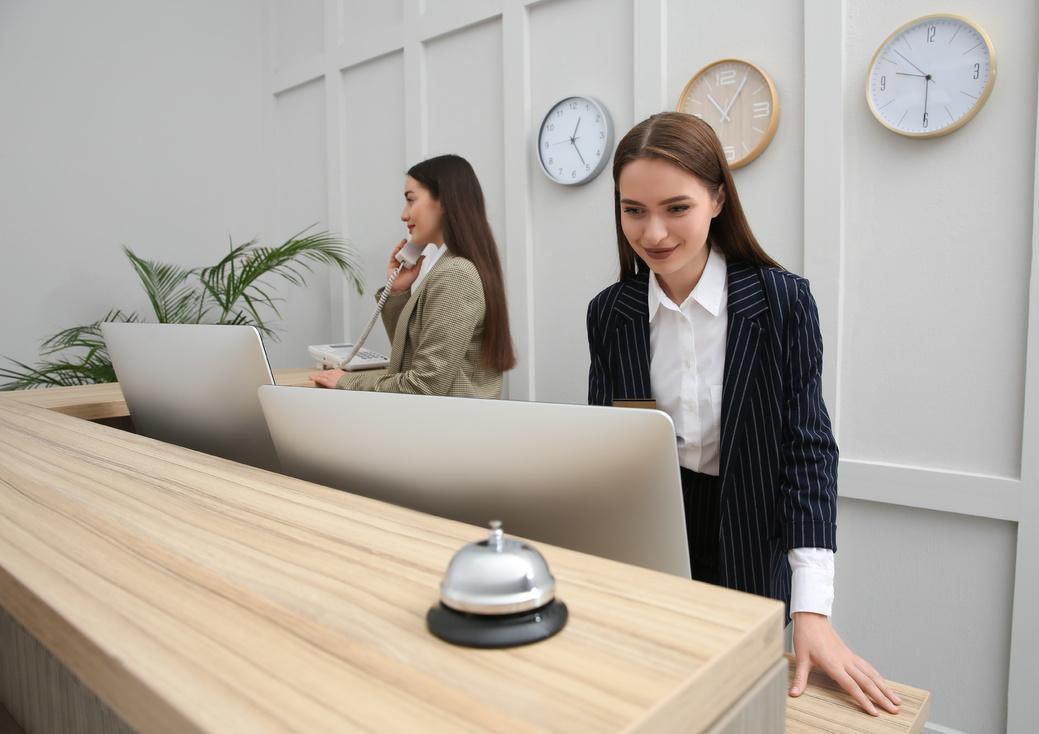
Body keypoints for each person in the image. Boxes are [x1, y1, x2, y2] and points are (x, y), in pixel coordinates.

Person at [586, 112, 901, 716]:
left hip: (751, 539)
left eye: (676, 208)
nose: (653, 233)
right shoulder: (610, 313)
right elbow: (608, 445)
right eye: (633, 210)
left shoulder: (781, 301)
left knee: (736, 707)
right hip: (654, 532)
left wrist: (812, 612)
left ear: (717, 199)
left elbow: (809, 451)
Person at [311, 154, 514, 397]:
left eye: (411, 200)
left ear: (445, 202)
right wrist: (397, 291)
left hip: (448, 428)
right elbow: (412, 360)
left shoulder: (455, 274)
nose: (403, 215)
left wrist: (348, 382)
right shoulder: (449, 267)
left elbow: (424, 385)